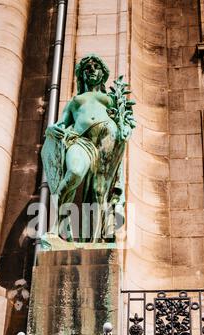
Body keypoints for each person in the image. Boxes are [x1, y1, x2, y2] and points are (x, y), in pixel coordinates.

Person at [41, 54, 136, 242]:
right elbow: (61, 123)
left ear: (102, 74)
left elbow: (125, 120)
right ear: (81, 75)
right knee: (75, 172)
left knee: (100, 191)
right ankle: (56, 223)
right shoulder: (76, 101)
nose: (91, 70)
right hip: (80, 141)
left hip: (106, 145)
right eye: (87, 68)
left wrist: (125, 128)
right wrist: (51, 129)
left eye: (95, 67)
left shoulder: (109, 99)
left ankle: (98, 238)